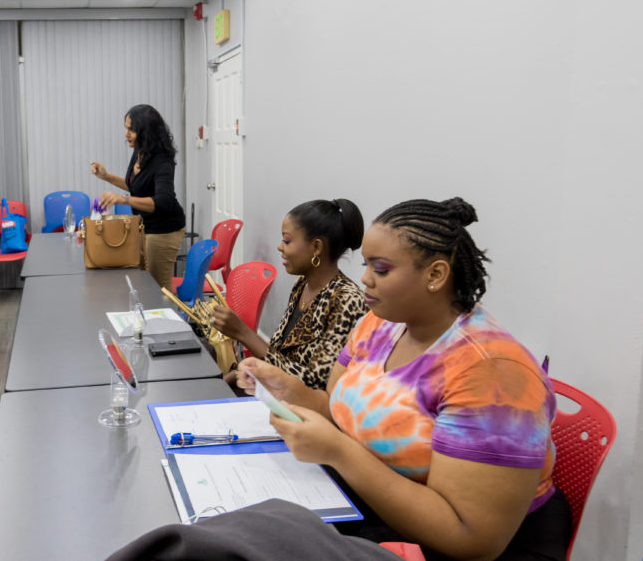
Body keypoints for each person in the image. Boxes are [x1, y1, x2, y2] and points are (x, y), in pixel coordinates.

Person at [232, 198, 569, 560]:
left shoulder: (492, 374)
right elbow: (338, 409)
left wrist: (340, 453)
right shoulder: (379, 324)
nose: (365, 278)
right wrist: (291, 391)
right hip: (374, 506)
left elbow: (471, 539)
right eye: (366, 264)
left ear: (435, 275)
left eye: (381, 268)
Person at [211, 199, 367, 389]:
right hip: (276, 393)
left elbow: (317, 384)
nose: (279, 247)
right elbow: (279, 354)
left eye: (287, 241)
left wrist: (243, 333)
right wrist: (237, 374)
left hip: (301, 405)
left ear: (316, 247)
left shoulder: (347, 300)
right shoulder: (302, 285)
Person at [91, 104, 186, 289]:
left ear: (146, 132)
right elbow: (136, 186)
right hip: (145, 227)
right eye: (126, 128)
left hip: (164, 230)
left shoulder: (162, 162)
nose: (126, 134)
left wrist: (123, 199)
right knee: (145, 284)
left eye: (131, 130)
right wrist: (106, 176)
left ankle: (164, 310)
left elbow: (163, 202)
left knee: (158, 288)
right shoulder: (139, 152)